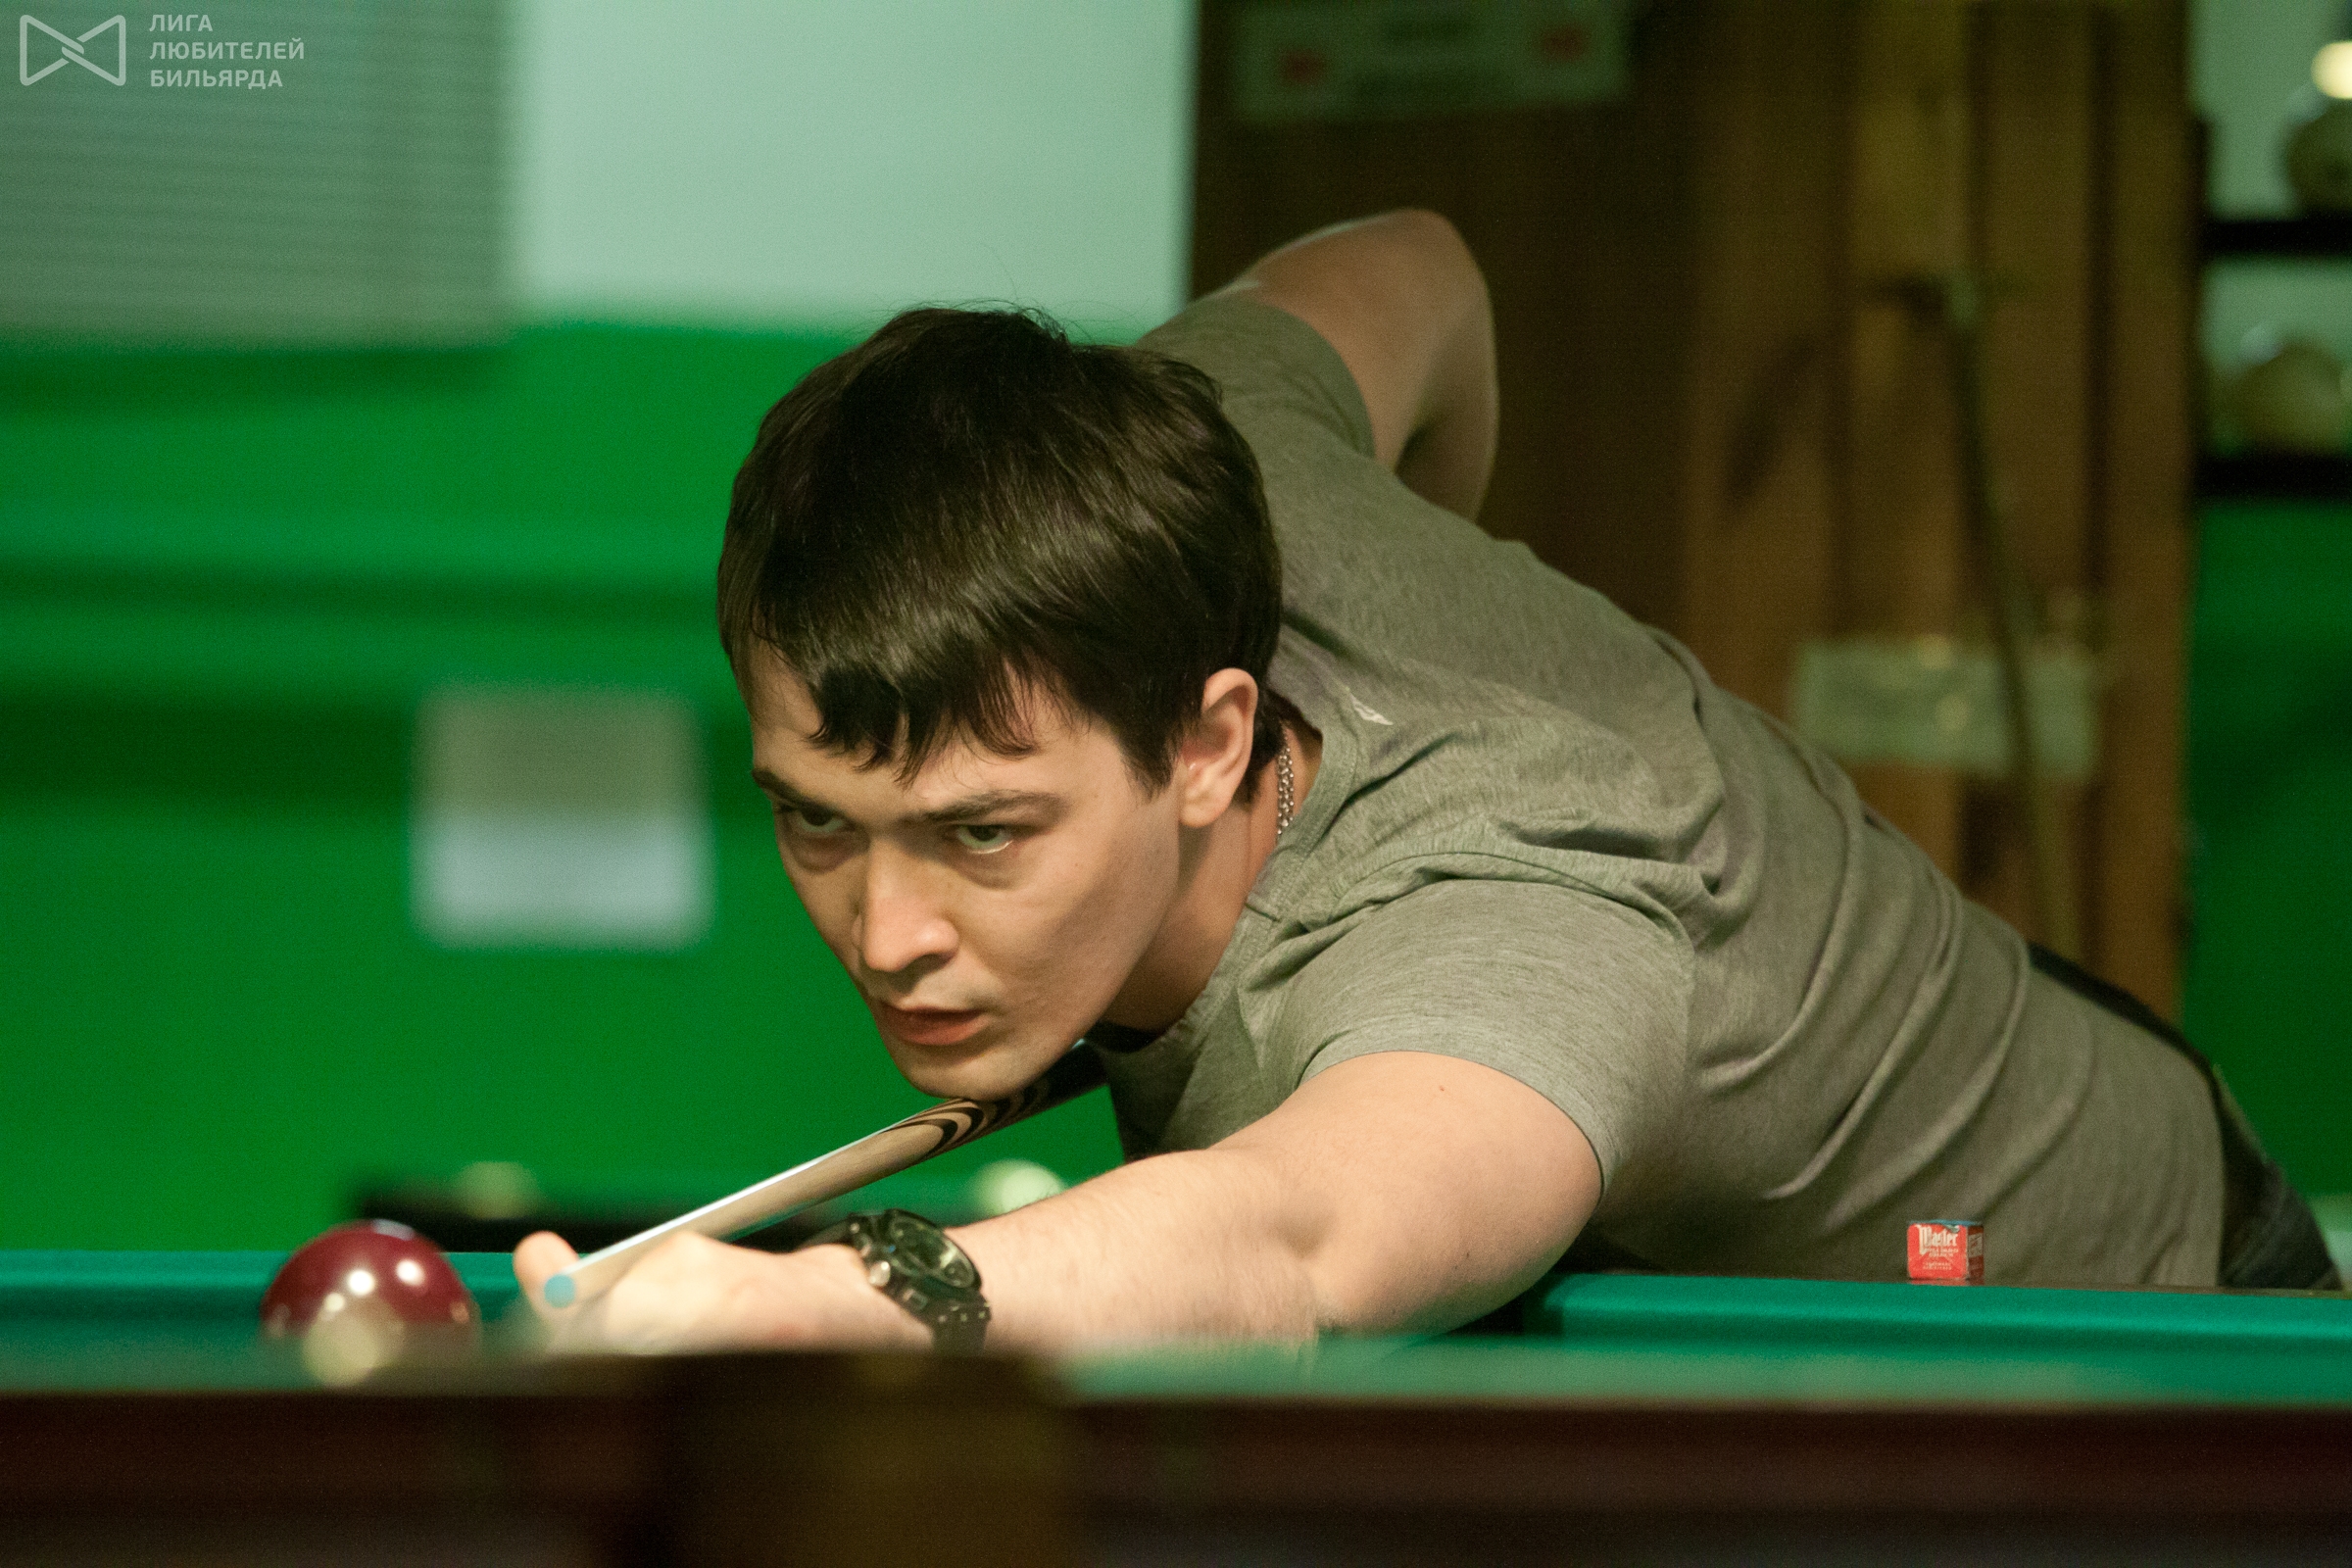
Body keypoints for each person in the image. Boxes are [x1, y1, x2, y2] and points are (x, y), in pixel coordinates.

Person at [514, 211, 2336, 1354]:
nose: (889, 933)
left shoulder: (1508, 943)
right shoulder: (1193, 458)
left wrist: (836, 1304)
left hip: (2152, 1324)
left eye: (984, 834)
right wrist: (1441, 583)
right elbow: (1427, 263)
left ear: (1210, 742)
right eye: (818, 821)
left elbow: (1290, 1243)